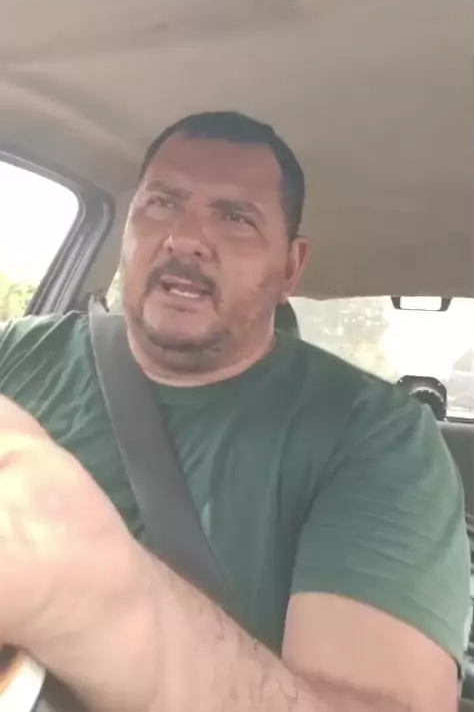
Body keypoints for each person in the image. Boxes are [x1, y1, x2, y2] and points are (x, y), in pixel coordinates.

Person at [0, 111, 470, 712]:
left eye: (235, 217)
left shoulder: (378, 440)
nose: (184, 238)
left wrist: (100, 599)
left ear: (290, 267)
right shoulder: (16, 352)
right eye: (162, 204)